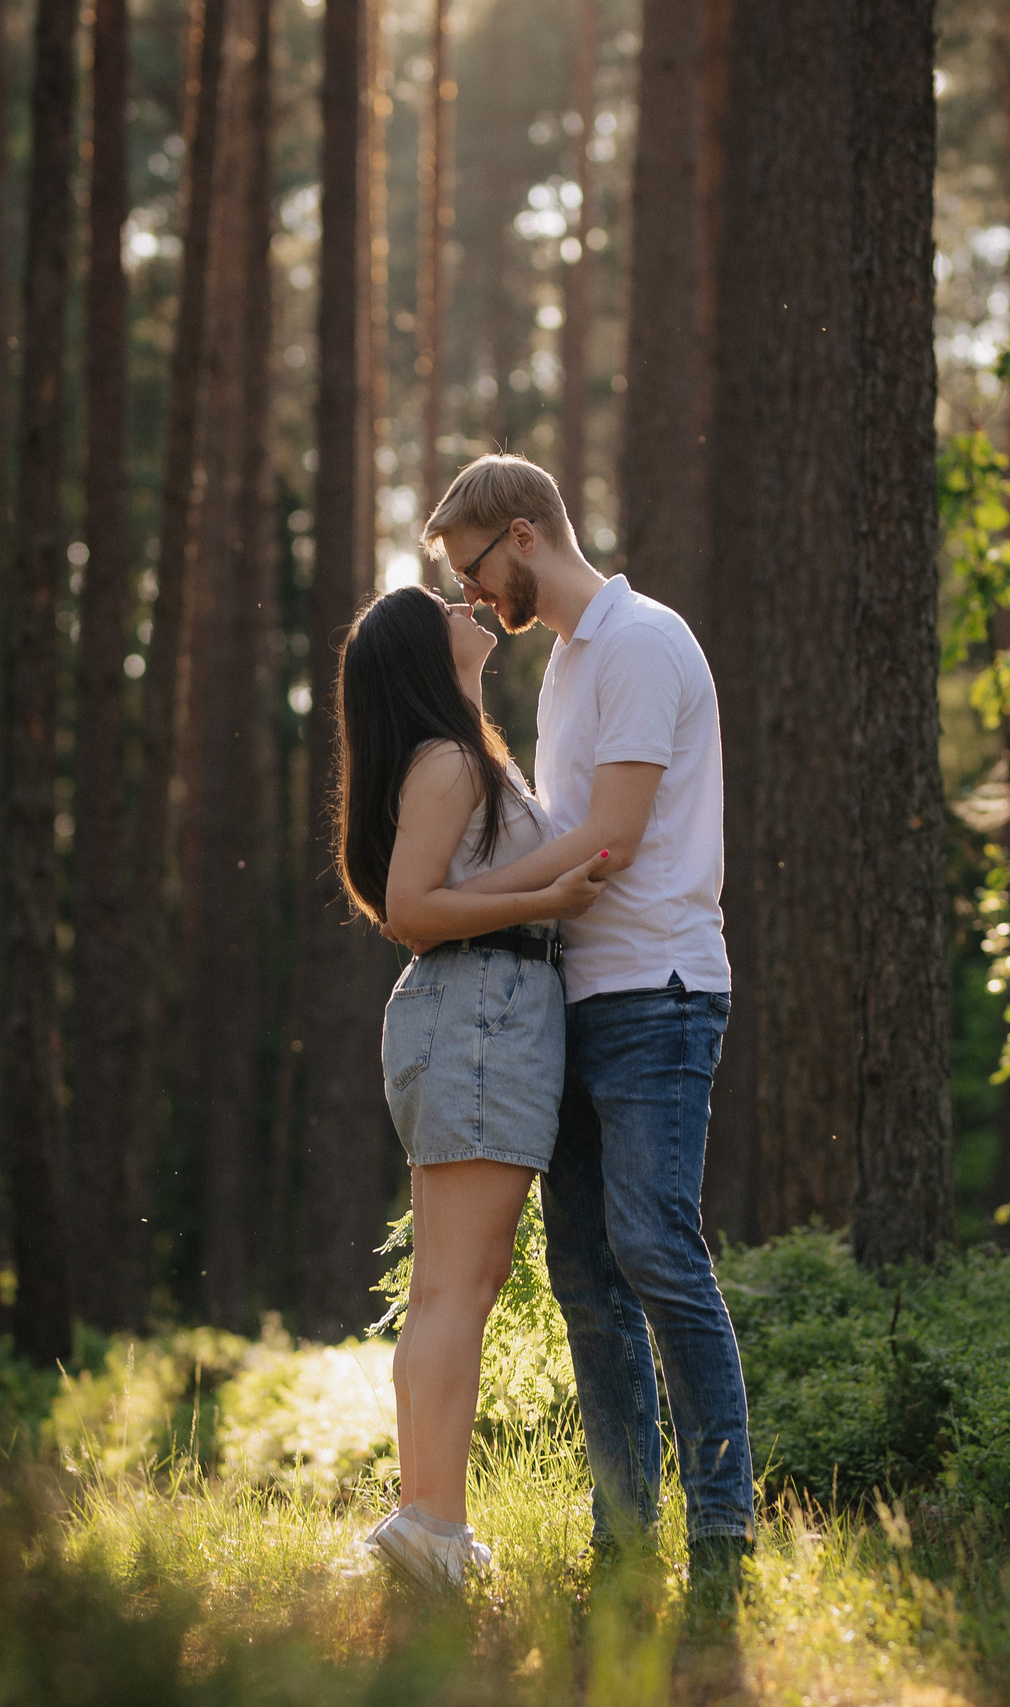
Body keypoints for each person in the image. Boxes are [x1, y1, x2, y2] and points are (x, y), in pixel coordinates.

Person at [414, 454, 757, 1587]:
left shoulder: (645, 640)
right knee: (585, 1283)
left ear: (521, 535)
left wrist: (467, 910)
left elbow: (606, 836)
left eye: (472, 571)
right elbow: (542, 827)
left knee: (658, 1252)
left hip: (657, 990)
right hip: (578, 995)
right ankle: (625, 1543)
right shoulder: (565, 666)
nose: (473, 598)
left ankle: (720, 1532)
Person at [330, 583, 611, 1589]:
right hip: (478, 1011)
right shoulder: (447, 761)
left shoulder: (457, 754)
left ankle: (431, 1524)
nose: (466, 603)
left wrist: (544, 896)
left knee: (461, 1283)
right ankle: (430, 1528)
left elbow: (431, 896)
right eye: (441, 601)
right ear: (421, 650)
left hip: (481, 1011)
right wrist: (549, 895)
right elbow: (410, 908)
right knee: (454, 1286)